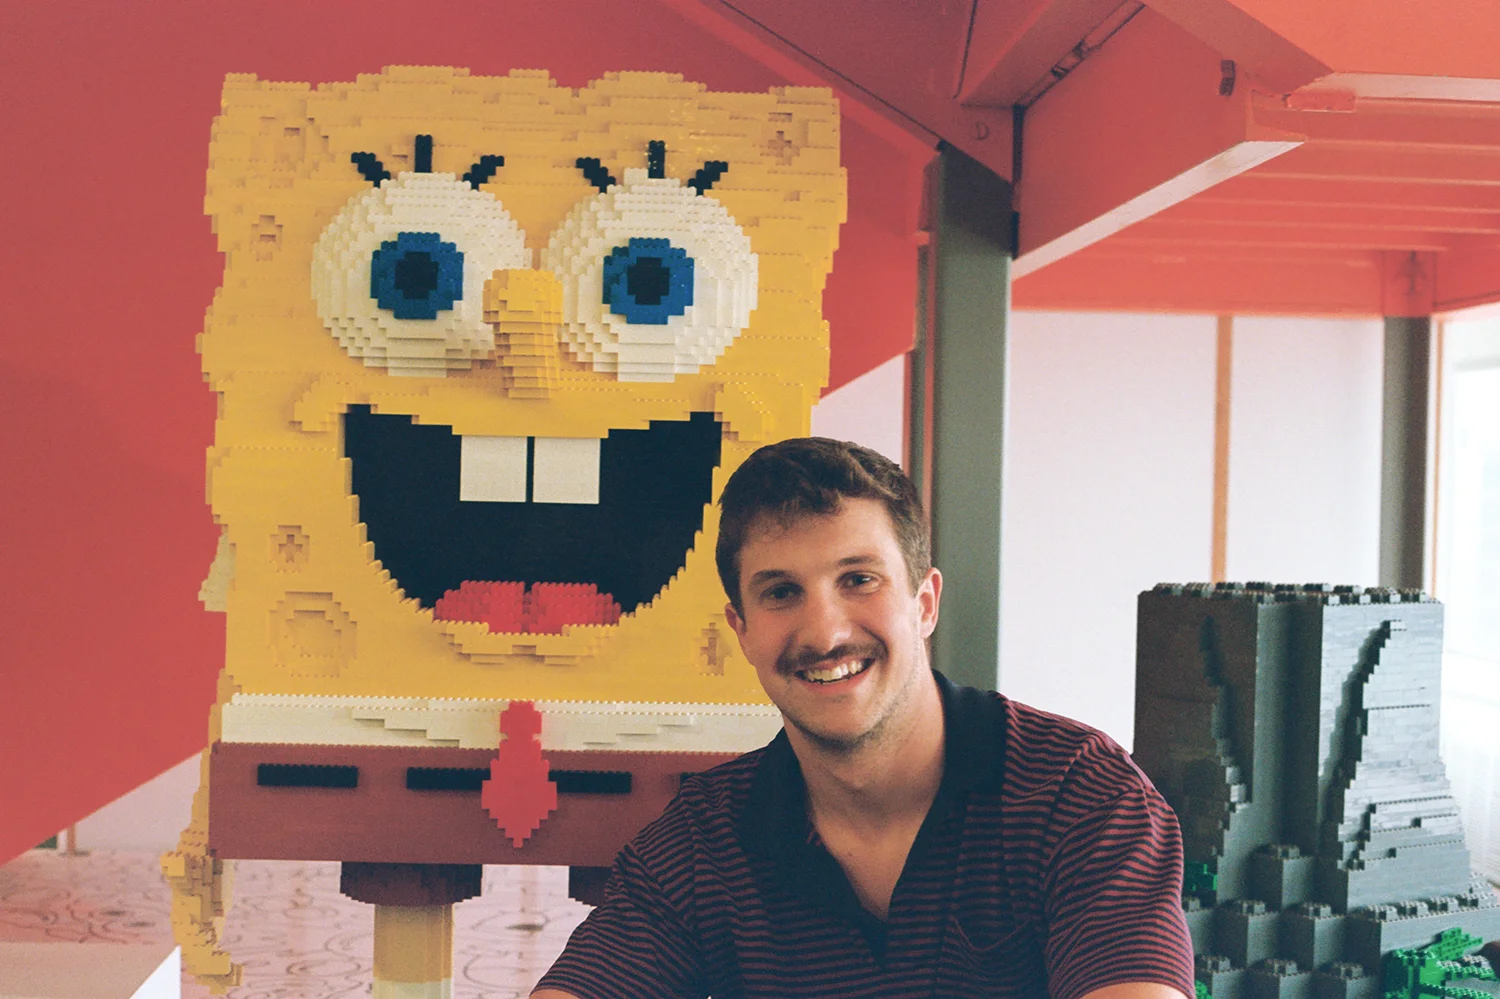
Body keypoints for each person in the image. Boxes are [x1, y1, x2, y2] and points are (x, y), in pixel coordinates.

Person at [533, 438, 1195, 999]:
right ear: (742, 628)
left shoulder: (1080, 797)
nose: (824, 633)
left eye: (859, 579)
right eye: (781, 592)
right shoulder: (703, 842)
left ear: (925, 601)